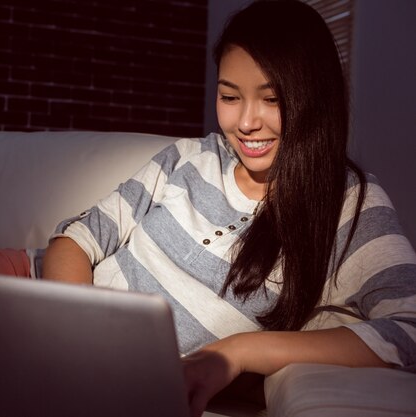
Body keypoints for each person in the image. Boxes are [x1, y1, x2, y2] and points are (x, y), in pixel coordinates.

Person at [41, 0, 416, 416]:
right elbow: (76, 239)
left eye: (271, 99)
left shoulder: (349, 205)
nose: (246, 122)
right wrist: (72, 338)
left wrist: (235, 353)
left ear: (314, 99)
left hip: (120, 386)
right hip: (43, 305)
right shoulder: (190, 157)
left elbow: (408, 328)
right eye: (229, 96)